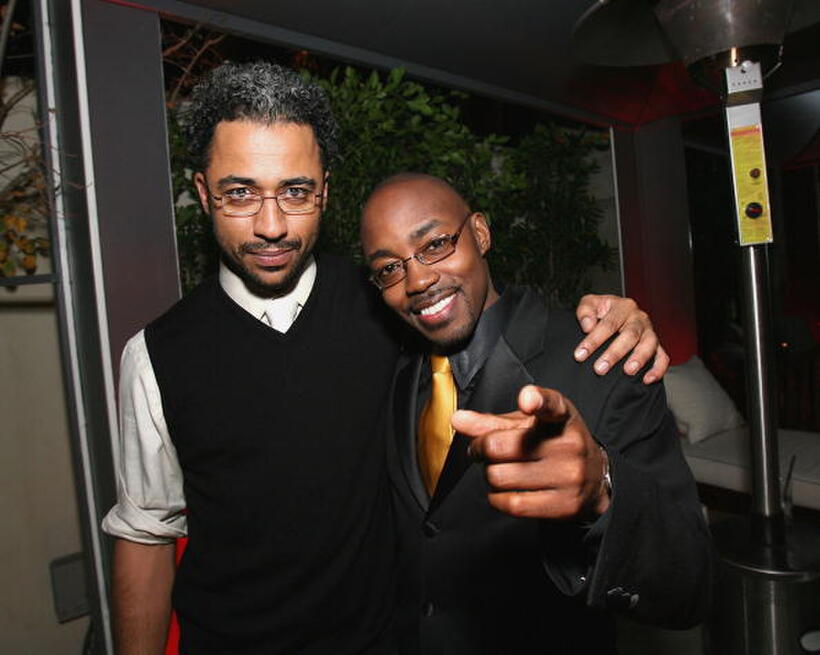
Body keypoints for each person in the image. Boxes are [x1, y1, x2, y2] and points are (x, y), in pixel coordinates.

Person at [102, 62, 670, 654]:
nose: (270, 226)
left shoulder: (392, 305)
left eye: (295, 192)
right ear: (202, 193)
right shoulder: (156, 356)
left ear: (323, 190)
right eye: (240, 193)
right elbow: (146, 535)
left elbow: (491, 312)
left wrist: (610, 317)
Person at [359, 173, 713, 655]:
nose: (417, 280)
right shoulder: (395, 370)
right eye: (389, 270)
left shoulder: (602, 359)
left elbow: (689, 585)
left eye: (437, 244)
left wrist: (604, 489)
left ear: (480, 234)